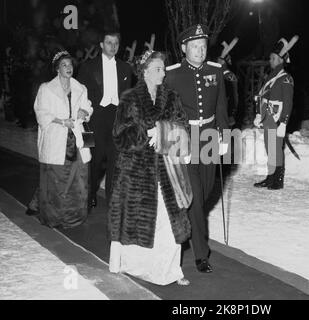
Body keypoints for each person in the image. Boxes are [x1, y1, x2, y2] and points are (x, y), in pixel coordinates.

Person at [108, 50, 192, 286]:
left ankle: (171, 272)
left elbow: (183, 127)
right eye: (157, 69)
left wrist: (163, 130)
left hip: (167, 172)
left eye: (163, 69)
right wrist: (147, 133)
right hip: (137, 173)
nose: (163, 73)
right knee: (138, 224)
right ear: (144, 71)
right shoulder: (130, 98)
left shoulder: (172, 98)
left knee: (170, 224)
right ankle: (134, 267)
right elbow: (120, 137)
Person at [165, 24, 229, 273]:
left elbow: (221, 106)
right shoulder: (172, 75)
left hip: (210, 135)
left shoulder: (216, 70)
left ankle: (184, 225)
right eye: (195, 47)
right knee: (194, 198)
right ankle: (201, 254)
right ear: (184, 48)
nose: (200, 51)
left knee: (206, 190)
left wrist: (223, 134)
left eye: (203, 47)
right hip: (186, 137)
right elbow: (167, 112)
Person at [30, 51, 93, 228]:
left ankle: (75, 217)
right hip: (57, 139)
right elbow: (41, 113)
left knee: (79, 178)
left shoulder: (80, 88)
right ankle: (54, 218)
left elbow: (88, 107)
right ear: (57, 69)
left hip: (78, 138)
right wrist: (61, 121)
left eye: (70, 65)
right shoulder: (46, 89)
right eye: (64, 65)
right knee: (56, 180)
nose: (69, 68)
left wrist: (85, 112)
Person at [77, 30, 133, 208]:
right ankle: (90, 193)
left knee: (115, 161)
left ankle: (112, 199)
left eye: (116, 43)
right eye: (109, 42)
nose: (113, 46)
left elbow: (127, 97)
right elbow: (78, 93)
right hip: (92, 120)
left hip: (116, 119)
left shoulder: (125, 68)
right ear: (101, 45)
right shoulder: (88, 66)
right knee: (92, 160)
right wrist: (81, 112)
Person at [253, 36, 297, 190]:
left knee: (276, 149)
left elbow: (288, 102)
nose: (270, 60)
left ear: (280, 60)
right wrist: (259, 115)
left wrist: (284, 122)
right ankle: (270, 177)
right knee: (269, 148)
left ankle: (277, 180)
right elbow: (263, 96)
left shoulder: (285, 78)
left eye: (273, 58)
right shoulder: (271, 76)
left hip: (277, 118)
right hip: (267, 117)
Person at [217, 38, 239, 127]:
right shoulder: (217, 74)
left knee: (225, 137)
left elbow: (234, 97)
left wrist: (230, 114)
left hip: (226, 114)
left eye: (218, 59)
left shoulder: (229, 76)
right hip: (217, 114)